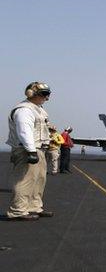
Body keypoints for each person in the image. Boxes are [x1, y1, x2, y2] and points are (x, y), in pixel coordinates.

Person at [5, 82, 54, 220]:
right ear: (31, 93)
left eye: (48, 94)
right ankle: (18, 211)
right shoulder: (24, 110)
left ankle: (34, 207)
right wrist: (31, 151)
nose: (47, 98)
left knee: (39, 180)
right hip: (26, 149)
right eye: (44, 94)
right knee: (24, 180)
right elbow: (24, 131)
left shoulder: (38, 109)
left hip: (38, 149)